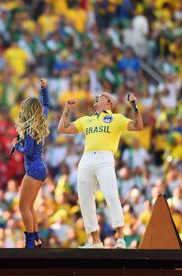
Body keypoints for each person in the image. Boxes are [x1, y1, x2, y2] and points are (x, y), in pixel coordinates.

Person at [57, 92, 143, 248]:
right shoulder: (87, 120)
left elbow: (138, 126)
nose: (96, 96)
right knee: (85, 199)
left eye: (101, 95)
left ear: (109, 102)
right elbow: (62, 129)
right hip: (86, 157)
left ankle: (120, 238)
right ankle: (95, 241)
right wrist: (67, 110)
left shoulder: (116, 118)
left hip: (105, 157)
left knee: (111, 195)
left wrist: (133, 105)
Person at [11, 79, 49, 248]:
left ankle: (30, 242)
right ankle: (36, 239)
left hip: (33, 169)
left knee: (23, 206)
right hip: (41, 168)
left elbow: (28, 151)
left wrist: (16, 145)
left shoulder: (28, 127)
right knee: (30, 206)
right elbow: (46, 105)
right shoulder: (41, 121)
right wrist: (44, 90)